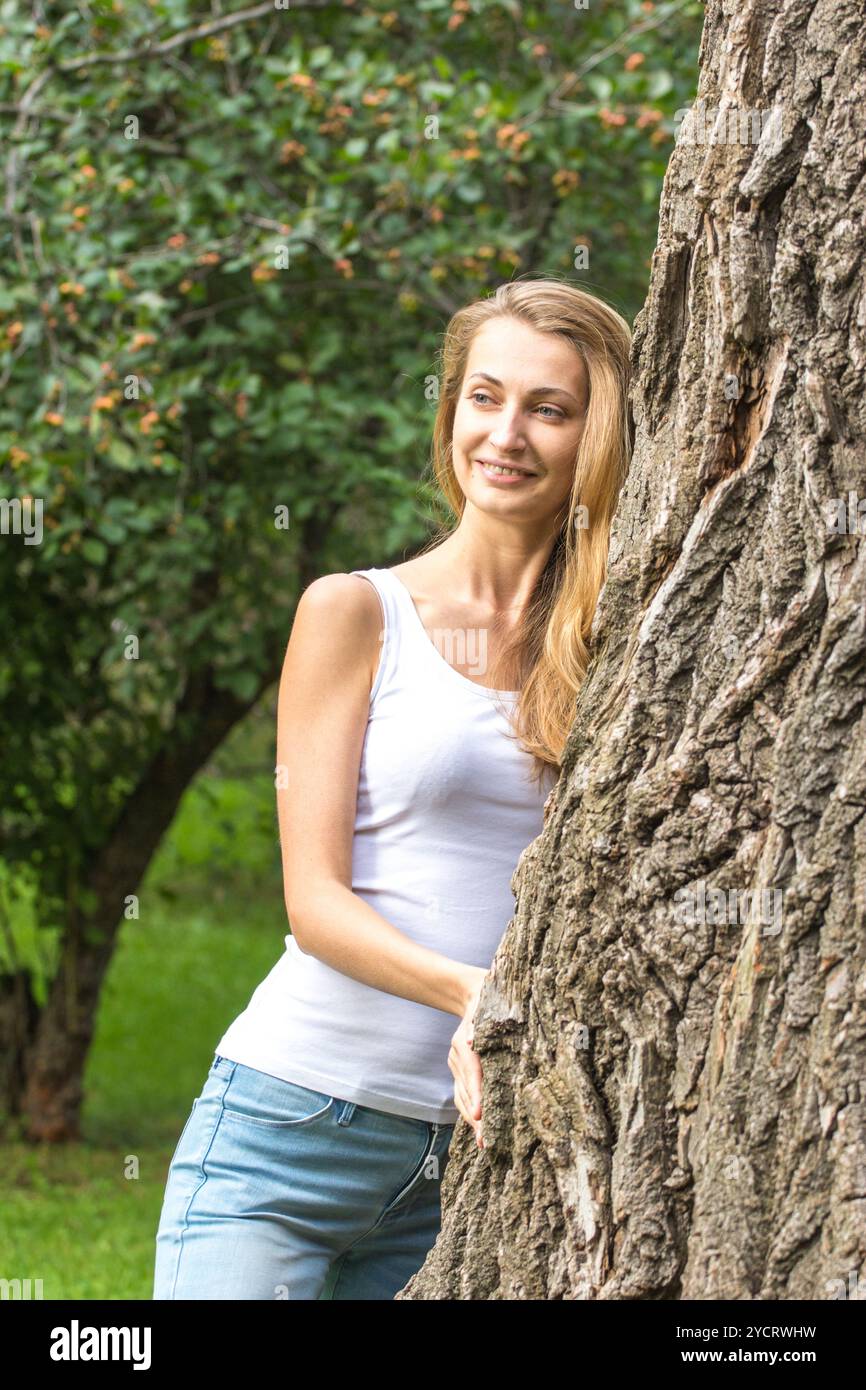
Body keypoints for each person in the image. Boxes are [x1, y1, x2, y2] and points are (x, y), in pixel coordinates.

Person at [152, 275, 632, 1300]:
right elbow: (314, 903)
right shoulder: (354, 611)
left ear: (595, 438)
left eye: (549, 408)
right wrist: (478, 995)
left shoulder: (621, 647)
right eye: (483, 396)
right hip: (289, 1123)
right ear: (450, 408)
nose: (505, 433)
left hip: (469, 1168)